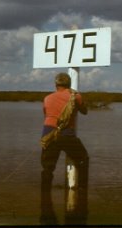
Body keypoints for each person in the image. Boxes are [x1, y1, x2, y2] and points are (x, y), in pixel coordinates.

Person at [40, 72, 89, 224]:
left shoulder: (47, 98)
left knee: (47, 168)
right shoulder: (75, 96)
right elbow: (84, 111)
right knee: (83, 159)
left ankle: (44, 198)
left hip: (48, 133)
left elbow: (46, 114)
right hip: (66, 134)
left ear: (56, 85)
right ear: (69, 85)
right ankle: (81, 192)